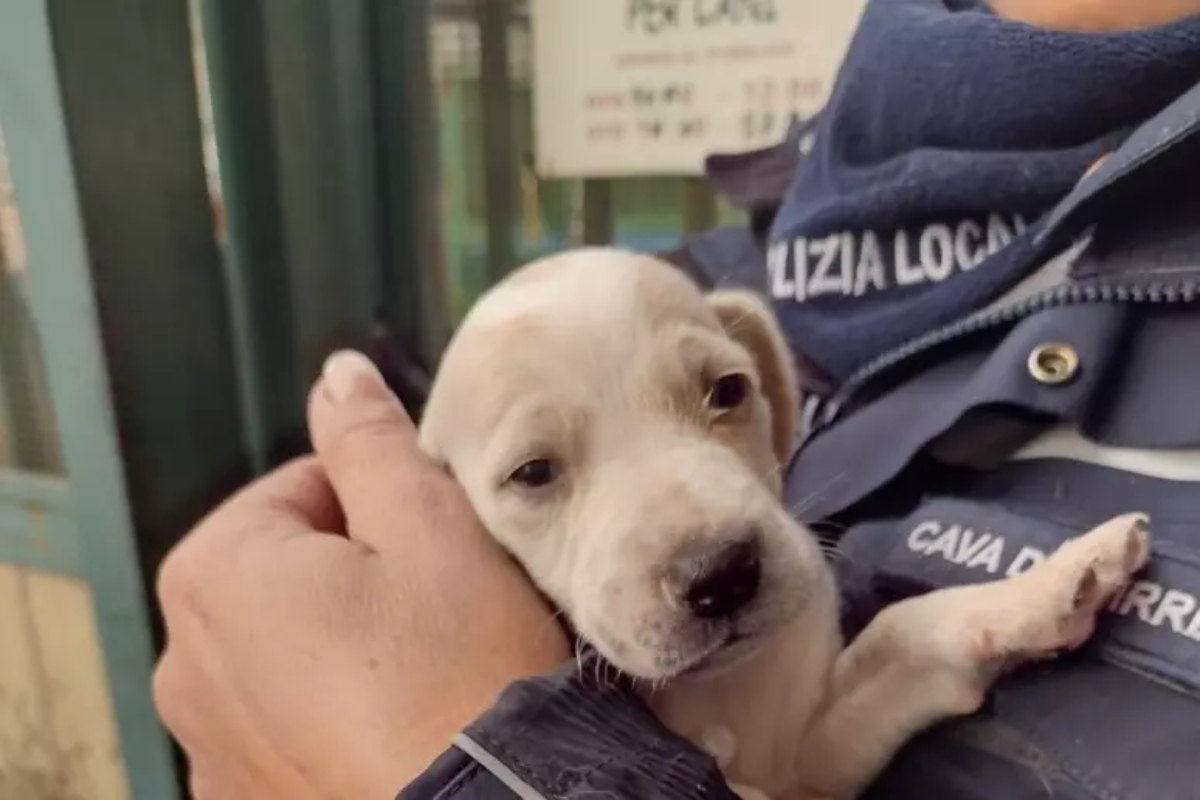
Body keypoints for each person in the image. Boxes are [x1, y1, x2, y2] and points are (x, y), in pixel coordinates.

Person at [152, 0, 1200, 798]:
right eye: (536, 471)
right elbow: (821, 744)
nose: (705, 534)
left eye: (720, 397)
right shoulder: (794, 212)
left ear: (772, 387)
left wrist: (487, 765)